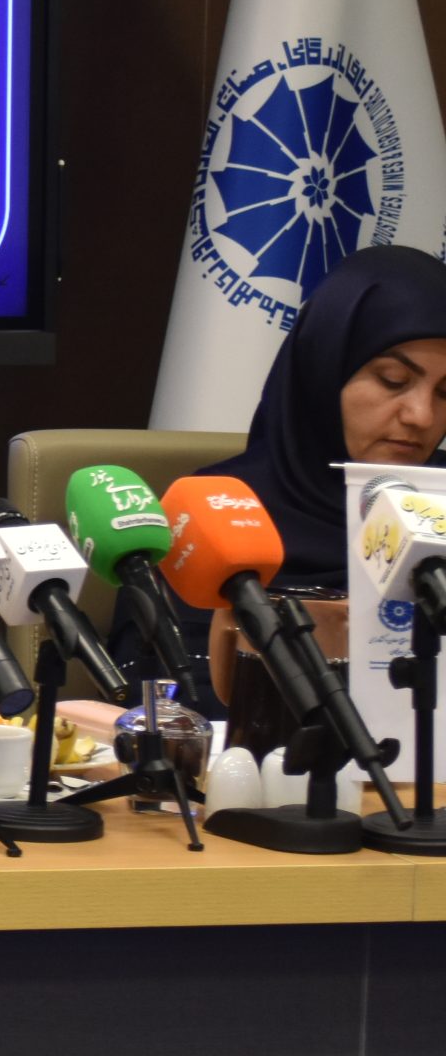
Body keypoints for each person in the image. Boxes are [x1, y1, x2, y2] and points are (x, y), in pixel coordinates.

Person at [158, 245, 446, 746]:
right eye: (393, 380)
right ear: (322, 369)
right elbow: (179, 711)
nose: (421, 416)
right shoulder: (216, 514)